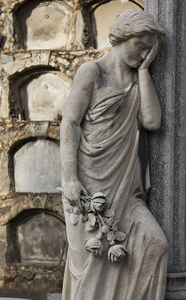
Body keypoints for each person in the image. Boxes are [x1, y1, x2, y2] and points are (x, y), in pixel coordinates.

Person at [60, 9, 168, 300]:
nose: (144, 53)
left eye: (150, 48)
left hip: (125, 186)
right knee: (93, 261)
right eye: (140, 45)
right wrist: (70, 179)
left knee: (155, 244)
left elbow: (152, 121)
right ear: (121, 37)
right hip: (90, 183)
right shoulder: (92, 72)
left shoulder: (137, 79)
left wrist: (144, 71)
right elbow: (69, 122)